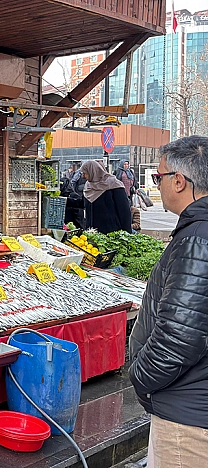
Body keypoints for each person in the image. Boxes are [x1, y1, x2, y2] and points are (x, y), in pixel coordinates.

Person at [129, 136, 208, 467]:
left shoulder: (197, 239)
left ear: (179, 181)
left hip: (188, 419)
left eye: (158, 178)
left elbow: (178, 339)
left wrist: (140, 377)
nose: (156, 186)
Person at [80, 159, 132, 234]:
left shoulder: (114, 185)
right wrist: (66, 201)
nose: (83, 176)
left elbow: (124, 211)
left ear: (93, 172)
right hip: (92, 232)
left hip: (111, 233)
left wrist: (127, 233)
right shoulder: (88, 186)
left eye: (85, 173)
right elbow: (83, 203)